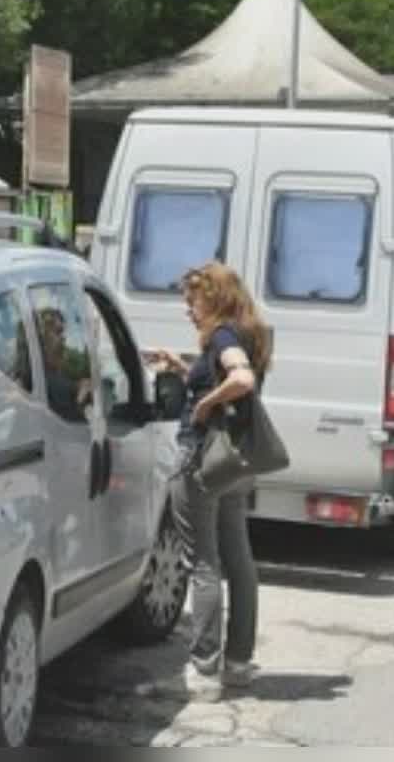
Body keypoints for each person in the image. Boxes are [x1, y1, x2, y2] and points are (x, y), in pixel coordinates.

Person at [144, 262, 272, 702]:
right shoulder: (251, 334)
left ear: (214, 299)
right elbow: (230, 376)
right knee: (239, 560)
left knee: (202, 563)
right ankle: (236, 665)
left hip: (203, 460)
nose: (188, 310)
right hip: (235, 463)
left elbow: (241, 379)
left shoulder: (222, 337)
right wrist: (185, 369)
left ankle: (203, 672)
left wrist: (203, 406)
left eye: (192, 300)